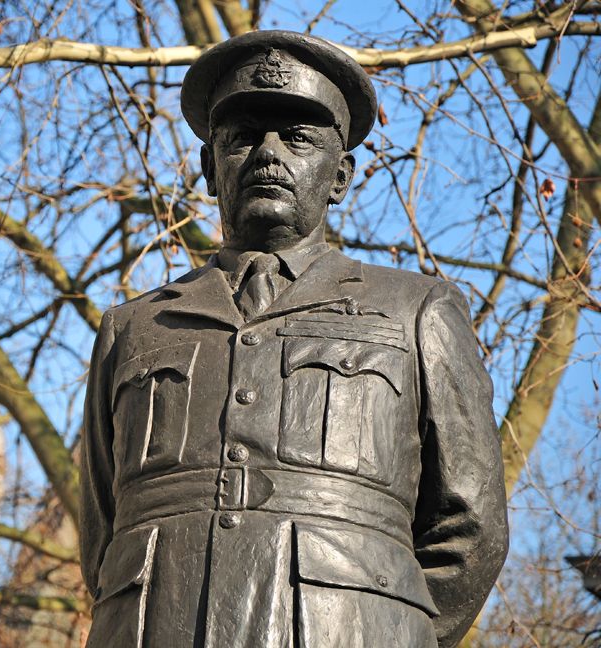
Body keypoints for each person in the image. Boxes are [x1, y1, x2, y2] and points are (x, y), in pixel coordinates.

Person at [79, 30, 508, 648]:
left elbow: (471, 526)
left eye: (299, 138)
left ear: (340, 176)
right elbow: (102, 533)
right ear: (208, 167)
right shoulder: (133, 327)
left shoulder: (418, 310)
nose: (267, 154)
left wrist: (388, 629)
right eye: (243, 137)